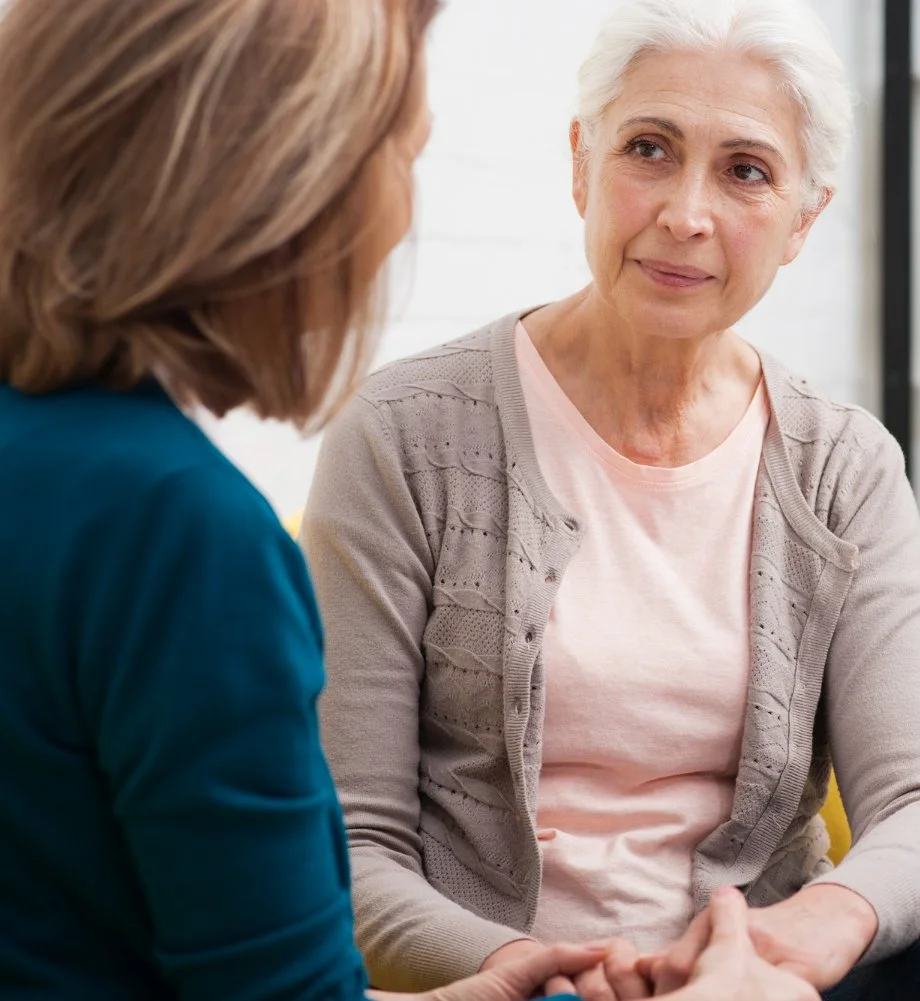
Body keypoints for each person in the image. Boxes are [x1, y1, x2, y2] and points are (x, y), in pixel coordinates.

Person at [301, 0, 920, 999]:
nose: (686, 214)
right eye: (650, 149)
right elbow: (345, 837)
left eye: (746, 170)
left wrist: (801, 939)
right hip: (513, 981)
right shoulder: (405, 433)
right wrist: (522, 965)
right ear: (583, 163)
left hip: (764, 979)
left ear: (803, 218)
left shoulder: (843, 466)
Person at [0, 1, 808, 1000]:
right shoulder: (181, 537)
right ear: (277, 189)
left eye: (745, 169)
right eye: (400, 158)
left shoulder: (64, 479)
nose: (395, 225)